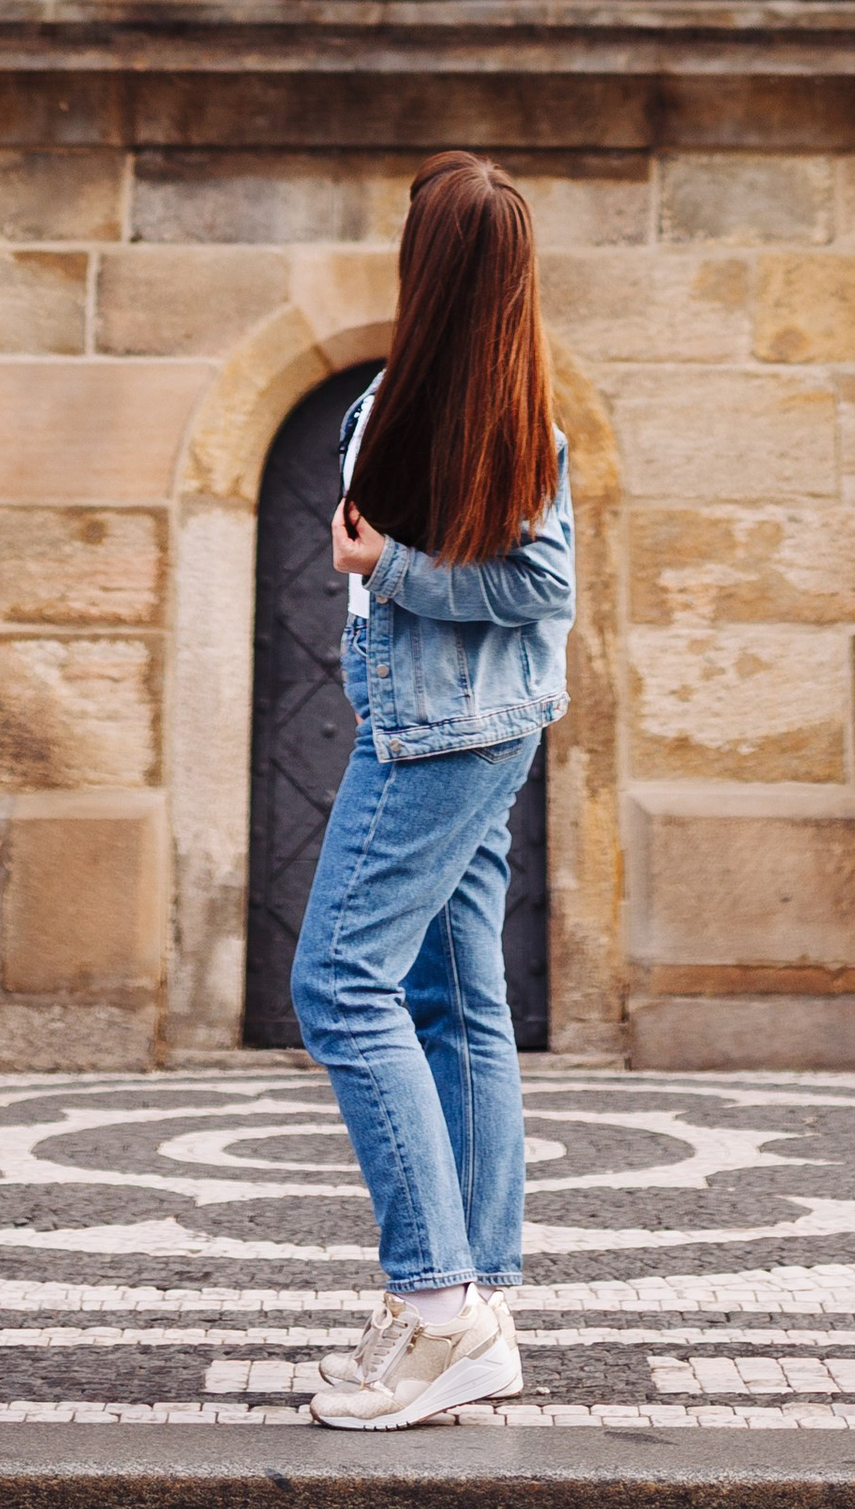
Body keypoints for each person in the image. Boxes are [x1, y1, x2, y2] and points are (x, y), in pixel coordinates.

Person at [293, 151, 573, 1432]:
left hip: (444, 739)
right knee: (454, 996)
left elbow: (536, 592)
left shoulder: (517, 421)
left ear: (432, 261)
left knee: (340, 982)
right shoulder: (413, 394)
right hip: (442, 721)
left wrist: (395, 571)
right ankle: (463, 1303)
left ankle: (442, 1304)